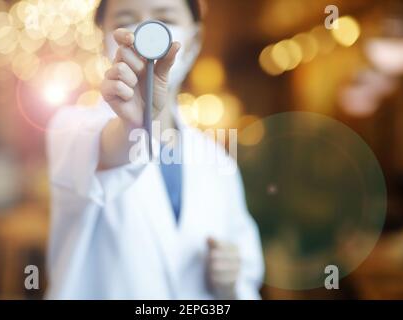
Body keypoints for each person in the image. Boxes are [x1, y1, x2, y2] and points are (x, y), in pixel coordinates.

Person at [46, 0, 264, 299]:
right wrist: (135, 125)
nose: (146, 32)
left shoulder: (218, 161)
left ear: (195, 39)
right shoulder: (71, 128)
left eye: (164, 17)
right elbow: (103, 154)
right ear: (103, 39)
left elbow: (247, 272)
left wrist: (231, 284)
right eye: (126, 18)